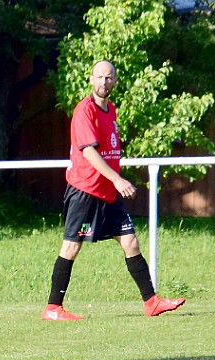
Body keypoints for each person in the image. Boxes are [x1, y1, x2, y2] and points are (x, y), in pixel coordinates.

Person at [42, 60, 185, 321]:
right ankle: (53, 307)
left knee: (130, 240)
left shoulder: (111, 110)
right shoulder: (84, 111)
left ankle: (151, 302)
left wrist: (114, 183)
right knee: (72, 246)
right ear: (90, 79)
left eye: (109, 78)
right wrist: (118, 179)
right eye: (99, 77)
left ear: (115, 81)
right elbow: (88, 151)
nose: (104, 82)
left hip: (107, 195)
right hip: (85, 193)